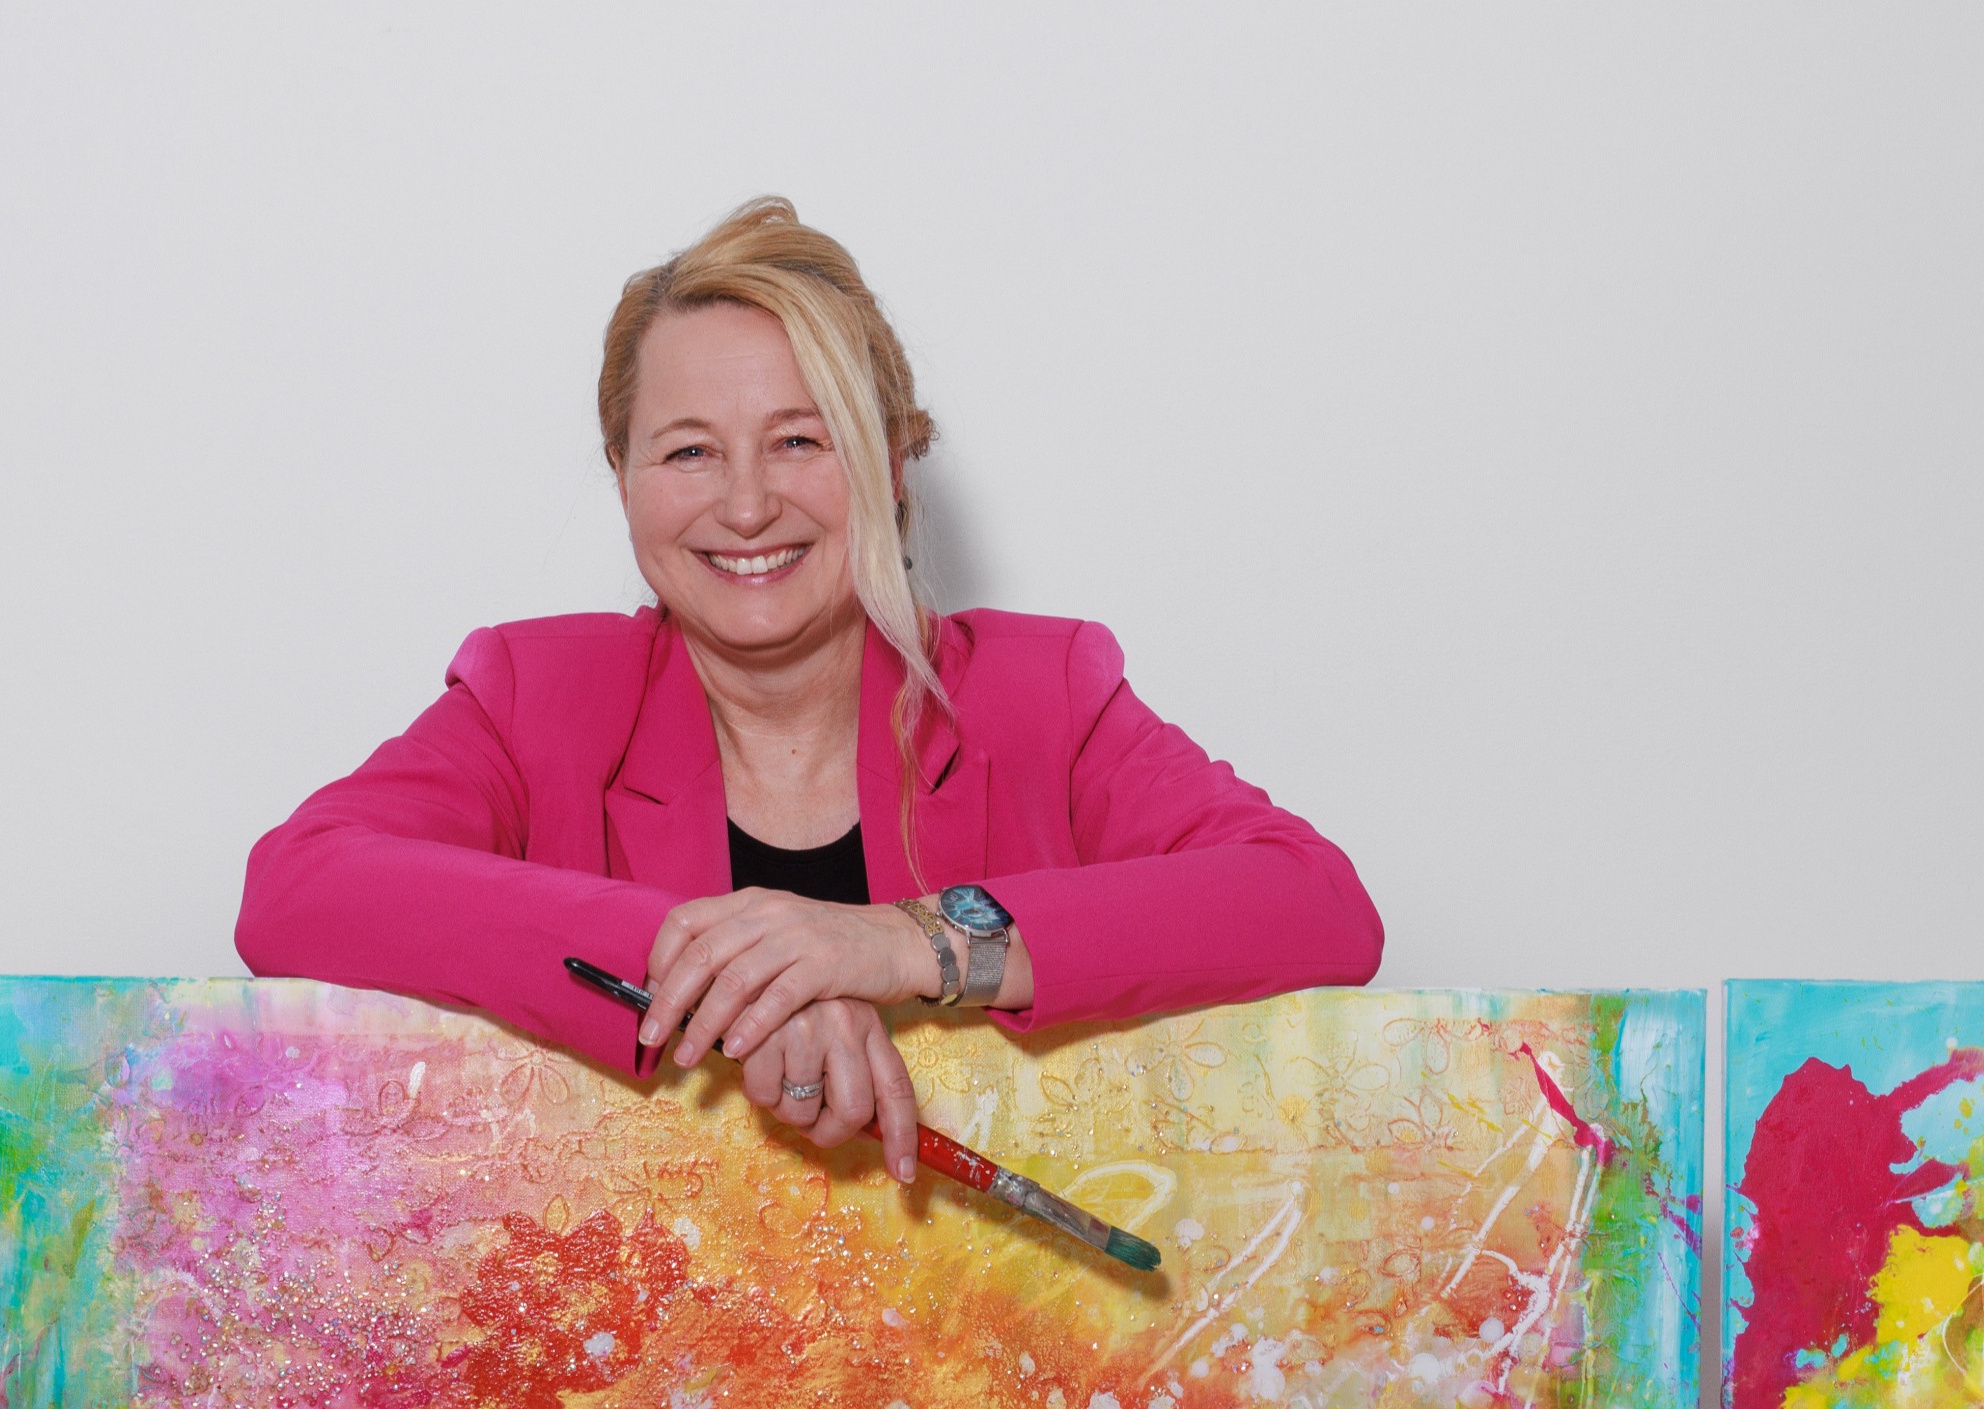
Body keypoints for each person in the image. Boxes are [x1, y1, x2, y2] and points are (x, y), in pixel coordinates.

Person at [235, 197, 1384, 1184]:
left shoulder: (1043, 696)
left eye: (798, 440)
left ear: (890, 461)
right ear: (623, 477)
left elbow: (1314, 904)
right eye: (688, 451)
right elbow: (296, 890)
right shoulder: (536, 697)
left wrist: (897, 944)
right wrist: (730, 965)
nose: (745, 507)